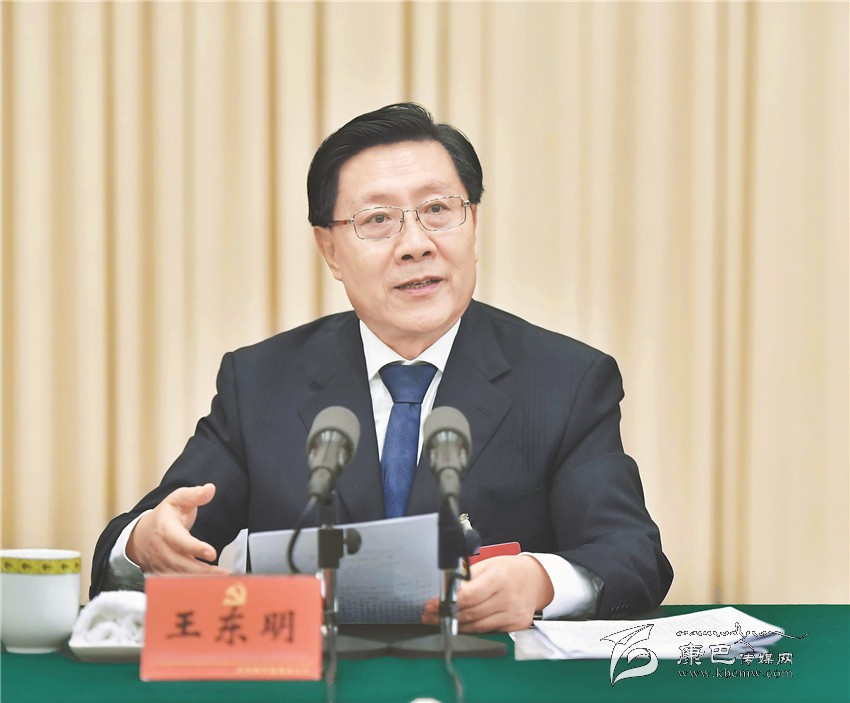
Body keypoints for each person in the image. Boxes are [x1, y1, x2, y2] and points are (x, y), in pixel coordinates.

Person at [91, 103, 673, 632]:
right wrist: (144, 542)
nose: (415, 244)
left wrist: (541, 582)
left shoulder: (566, 380)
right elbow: (149, 533)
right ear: (330, 250)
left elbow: (631, 554)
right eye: (376, 220)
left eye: (438, 210)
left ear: (473, 224)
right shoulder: (261, 382)